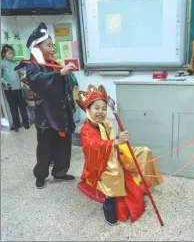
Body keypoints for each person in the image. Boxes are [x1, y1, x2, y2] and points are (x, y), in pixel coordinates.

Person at [76, 84, 163, 225]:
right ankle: (108, 202)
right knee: (115, 172)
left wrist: (119, 140)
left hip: (114, 153)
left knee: (144, 152)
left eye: (104, 108)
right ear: (88, 110)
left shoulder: (106, 124)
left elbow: (113, 141)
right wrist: (115, 142)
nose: (101, 112)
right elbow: (93, 145)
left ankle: (141, 183)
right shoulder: (87, 128)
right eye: (96, 108)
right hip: (100, 164)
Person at [25, 22, 77, 189]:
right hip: (46, 117)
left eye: (53, 45)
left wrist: (61, 71)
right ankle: (41, 174)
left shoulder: (55, 64)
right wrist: (58, 73)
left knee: (64, 146)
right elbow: (36, 81)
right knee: (45, 149)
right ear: (37, 49)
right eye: (48, 45)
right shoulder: (33, 67)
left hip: (61, 114)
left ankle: (60, 172)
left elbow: (66, 87)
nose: (53, 48)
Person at [1, 44, 30, 131]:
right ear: (4, 54)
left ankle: (26, 123)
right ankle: (16, 124)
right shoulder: (2, 64)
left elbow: (21, 73)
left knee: (22, 106)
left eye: (12, 54)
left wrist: (23, 77)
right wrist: (5, 82)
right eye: (9, 53)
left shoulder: (16, 63)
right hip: (8, 90)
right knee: (13, 107)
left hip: (18, 88)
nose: (11, 55)